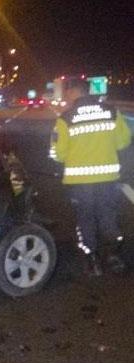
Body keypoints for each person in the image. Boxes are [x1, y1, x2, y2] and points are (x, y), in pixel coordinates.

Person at [50, 78, 132, 276]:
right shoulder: (111, 112)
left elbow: (57, 153)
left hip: (79, 182)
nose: (66, 96)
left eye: (68, 92)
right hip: (107, 178)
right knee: (108, 215)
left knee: (85, 218)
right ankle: (113, 256)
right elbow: (123, 141)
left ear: (74, 92)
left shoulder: (65, 118)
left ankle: (92, 259)